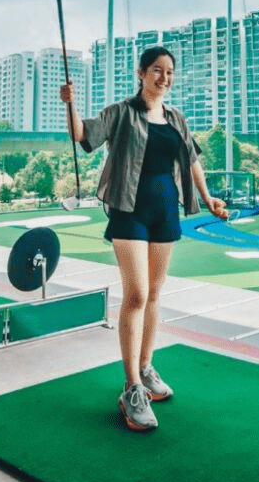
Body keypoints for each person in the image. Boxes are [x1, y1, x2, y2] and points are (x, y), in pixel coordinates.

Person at [61, 44, 228, 432]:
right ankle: (131, 387)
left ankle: (146, 366)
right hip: (129, 209)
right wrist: (70, 104)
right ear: (140, 72)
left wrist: (208, 199)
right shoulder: (121, 112)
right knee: (135, 294)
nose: (164, 77)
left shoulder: (176, 118)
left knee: (154, 293)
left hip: (165, 208)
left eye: (170, 72)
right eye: (157, 69)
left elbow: (191, 161)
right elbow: (81, 134)